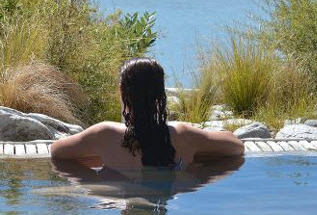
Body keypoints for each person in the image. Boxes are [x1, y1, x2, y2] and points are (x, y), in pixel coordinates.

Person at [50, 58, 244, 169]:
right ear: (161, 94)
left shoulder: (104, 135)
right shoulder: (183, 135)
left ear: (121, 91)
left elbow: (56, 152)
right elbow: (237, 147)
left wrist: (100, 160)